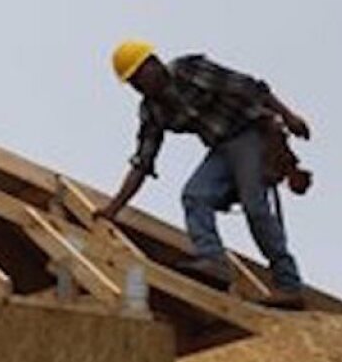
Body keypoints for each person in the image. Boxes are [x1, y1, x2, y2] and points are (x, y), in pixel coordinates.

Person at [93, 40, 311, 310]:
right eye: (132, 83)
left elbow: (250, 88)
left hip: (250, 134)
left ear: (154, 64)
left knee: (255, 206)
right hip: (221, 147)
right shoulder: (152, 109)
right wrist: (113, 209)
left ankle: (289, 286)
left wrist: (289, 117)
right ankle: (214, 263)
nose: (138, 86)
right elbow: (142, 163)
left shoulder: (189, 71)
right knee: (195, 195)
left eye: (139, 76)